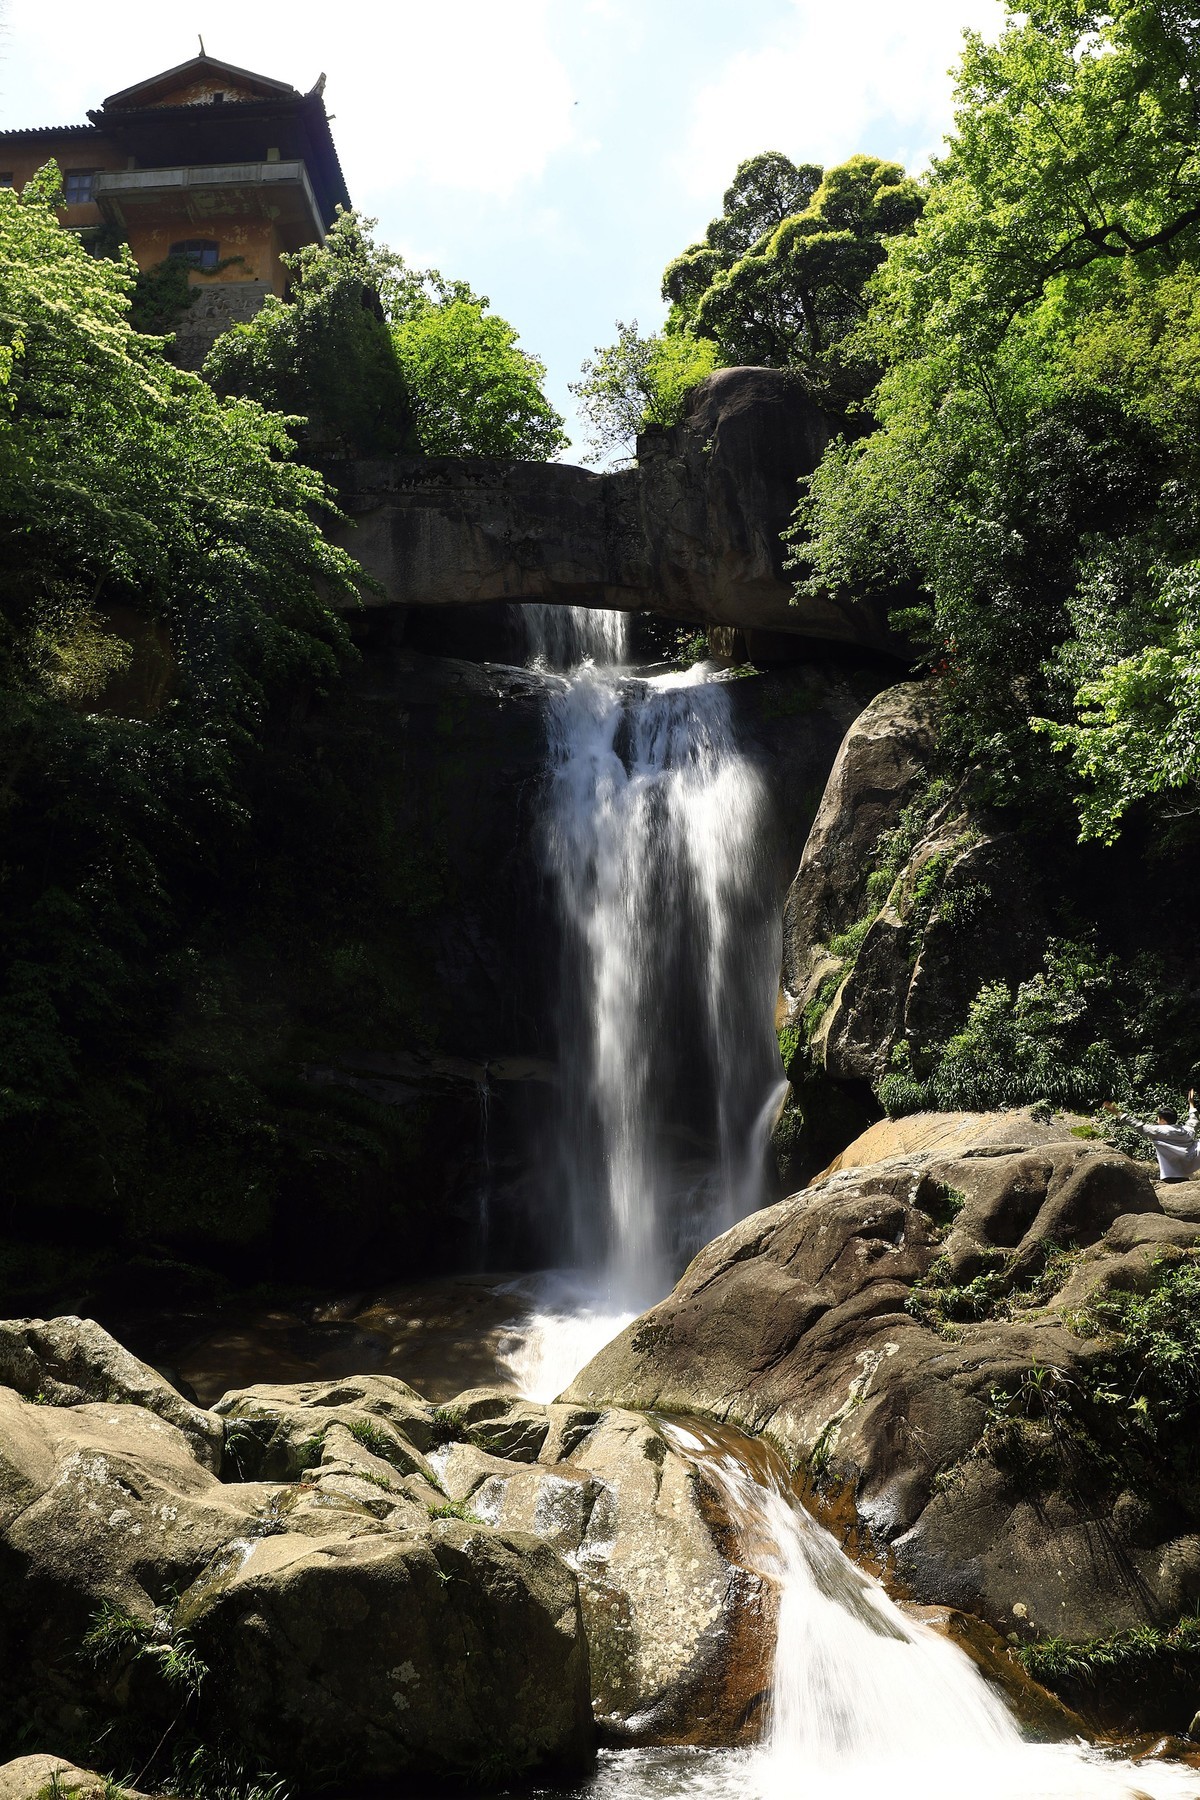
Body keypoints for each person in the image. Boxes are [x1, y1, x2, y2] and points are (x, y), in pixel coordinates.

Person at [1102, 1090, 1200, 1182]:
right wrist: (1191, 1103)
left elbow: (1138, 1125)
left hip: (1169, 1175)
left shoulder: (1158, 1131)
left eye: (1158, 1119)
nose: (1157, 1121)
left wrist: (1117, 1113)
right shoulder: (1187, 1131)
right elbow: (1194, 1120)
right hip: (1185, 1175)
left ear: (1163, 1120)